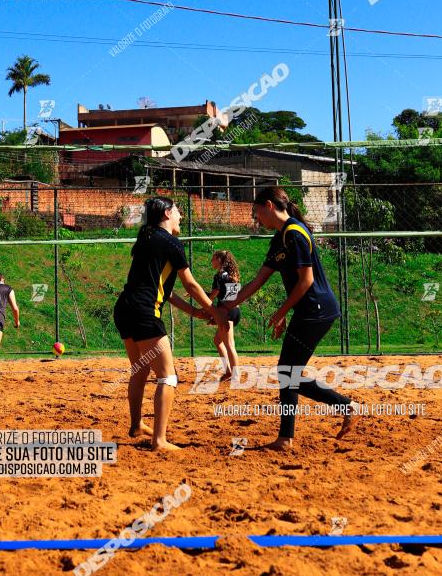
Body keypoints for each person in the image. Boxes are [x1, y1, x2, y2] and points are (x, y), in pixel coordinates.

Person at [225, 186, 360, 451]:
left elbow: (306, 281)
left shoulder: (295, 234)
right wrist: (229, 304)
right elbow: (258, 280)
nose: (256, 218)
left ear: (269, 205)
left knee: (287, 372)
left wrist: (281, 312)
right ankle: (290, 435)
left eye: (257, 212)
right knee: (288, 372)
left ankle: (343, 407)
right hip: (309, 310)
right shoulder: (280, 237)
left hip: (316, 309)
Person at [113, 196, 227, 452]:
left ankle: (136, 425)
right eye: (178, 211)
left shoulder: (145, 238)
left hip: (125, 309)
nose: (181, 217)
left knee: (140, 370)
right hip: (144, 313)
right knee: (168, 377)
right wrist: (214, 311)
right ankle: (160, 441)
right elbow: (190, 284)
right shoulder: (172, 242)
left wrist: (195, 312)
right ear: (166, 213)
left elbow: (167, 291)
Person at [207, 250, 241, 381]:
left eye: (213, 258)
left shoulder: (219, 275)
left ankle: (235, 375)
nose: (211, 261)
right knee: (218, 341)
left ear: (219, 260)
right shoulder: (233, 275)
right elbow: (229, 295)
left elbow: (214, 294)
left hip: (226, 312)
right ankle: (228, 371)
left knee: (229, 344)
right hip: (234, 311)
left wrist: (205, 303)